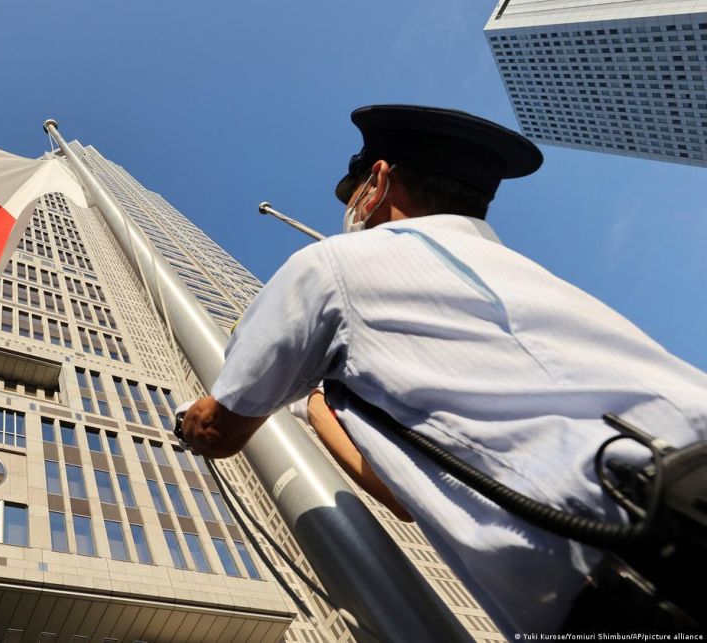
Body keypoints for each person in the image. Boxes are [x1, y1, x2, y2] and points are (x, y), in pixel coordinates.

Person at [177, 105, 707, 636]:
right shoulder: (532, 276)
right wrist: (318, 401)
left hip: (643, 561)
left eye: (355, 189)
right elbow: (405, 497)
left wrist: (196, 418)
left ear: (378, 182)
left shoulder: (331, 265)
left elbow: (217, 431)